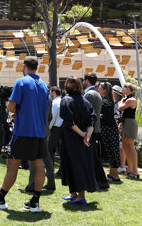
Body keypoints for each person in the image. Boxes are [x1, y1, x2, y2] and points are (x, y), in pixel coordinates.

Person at [0, 57, 50, 213]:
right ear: (36, 67)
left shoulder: (22, 82)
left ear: (23, 67)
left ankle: (0, 198)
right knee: (39, 165)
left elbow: (11, 107)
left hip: (23, 130)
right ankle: (35, 202)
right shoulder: (44, 86)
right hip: (39, 131)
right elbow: (43, 108)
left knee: (12, 164)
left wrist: (10, 107)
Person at [59, 76, 98, 206]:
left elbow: (69, 122)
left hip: (71, 137)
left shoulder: (65, 100)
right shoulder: (85, 101)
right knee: (80, 165)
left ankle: (80, 196)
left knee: (74, 165)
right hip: (83, 139)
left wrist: (83, 134)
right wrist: (87, 136)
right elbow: (91, 120)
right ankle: (74, 194)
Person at [83, 73, 110, 190]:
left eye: (84, 80)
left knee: (93, 157)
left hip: (90, 129)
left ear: (87, 80)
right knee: (93, 156)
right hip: (94, 129)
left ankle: (101, 181)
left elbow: (84, 112)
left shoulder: (89, 94)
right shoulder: (96, 93)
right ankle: (98, 180)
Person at [98, 82, 121, 182]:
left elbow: (106, 116)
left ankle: (115, 175)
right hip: (108, 128)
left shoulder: (107, 101)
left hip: (109, 128)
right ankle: (112, 174)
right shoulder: (107, 100)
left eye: (100, 87)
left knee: (112, 150)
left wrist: (97, 115)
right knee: (111, 150)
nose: (98, 88)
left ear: (105, 90)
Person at [119, 83, 140, 179]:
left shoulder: (131, 100)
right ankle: (129, 169)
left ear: (127, 89)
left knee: (130, 147)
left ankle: (135, 171)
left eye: (123, 88)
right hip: (124, 123)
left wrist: (122, 101)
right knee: (125, 147)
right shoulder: (127, 99)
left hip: (130, 123)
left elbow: (120, 108)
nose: (122, 89)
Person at [112, 85, 127, 172]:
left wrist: (119, 125)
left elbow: (120, 115)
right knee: (119, 147)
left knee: (121, 147)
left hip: (119, 126)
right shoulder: (116, 102)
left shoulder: (119, 102)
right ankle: (120, 165)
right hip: (116, 125)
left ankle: (122, 166)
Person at [48, 86, 63, 162]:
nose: (49, 94)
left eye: (50, 92)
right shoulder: (62, 101)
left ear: (54, 92)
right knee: (60, 151)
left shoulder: (55, 103)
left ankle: (50, 169)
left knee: (48, 149)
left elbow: (52, 117)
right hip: (62, 128)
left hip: (55, 129)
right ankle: (61, 171)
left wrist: (48, 128)